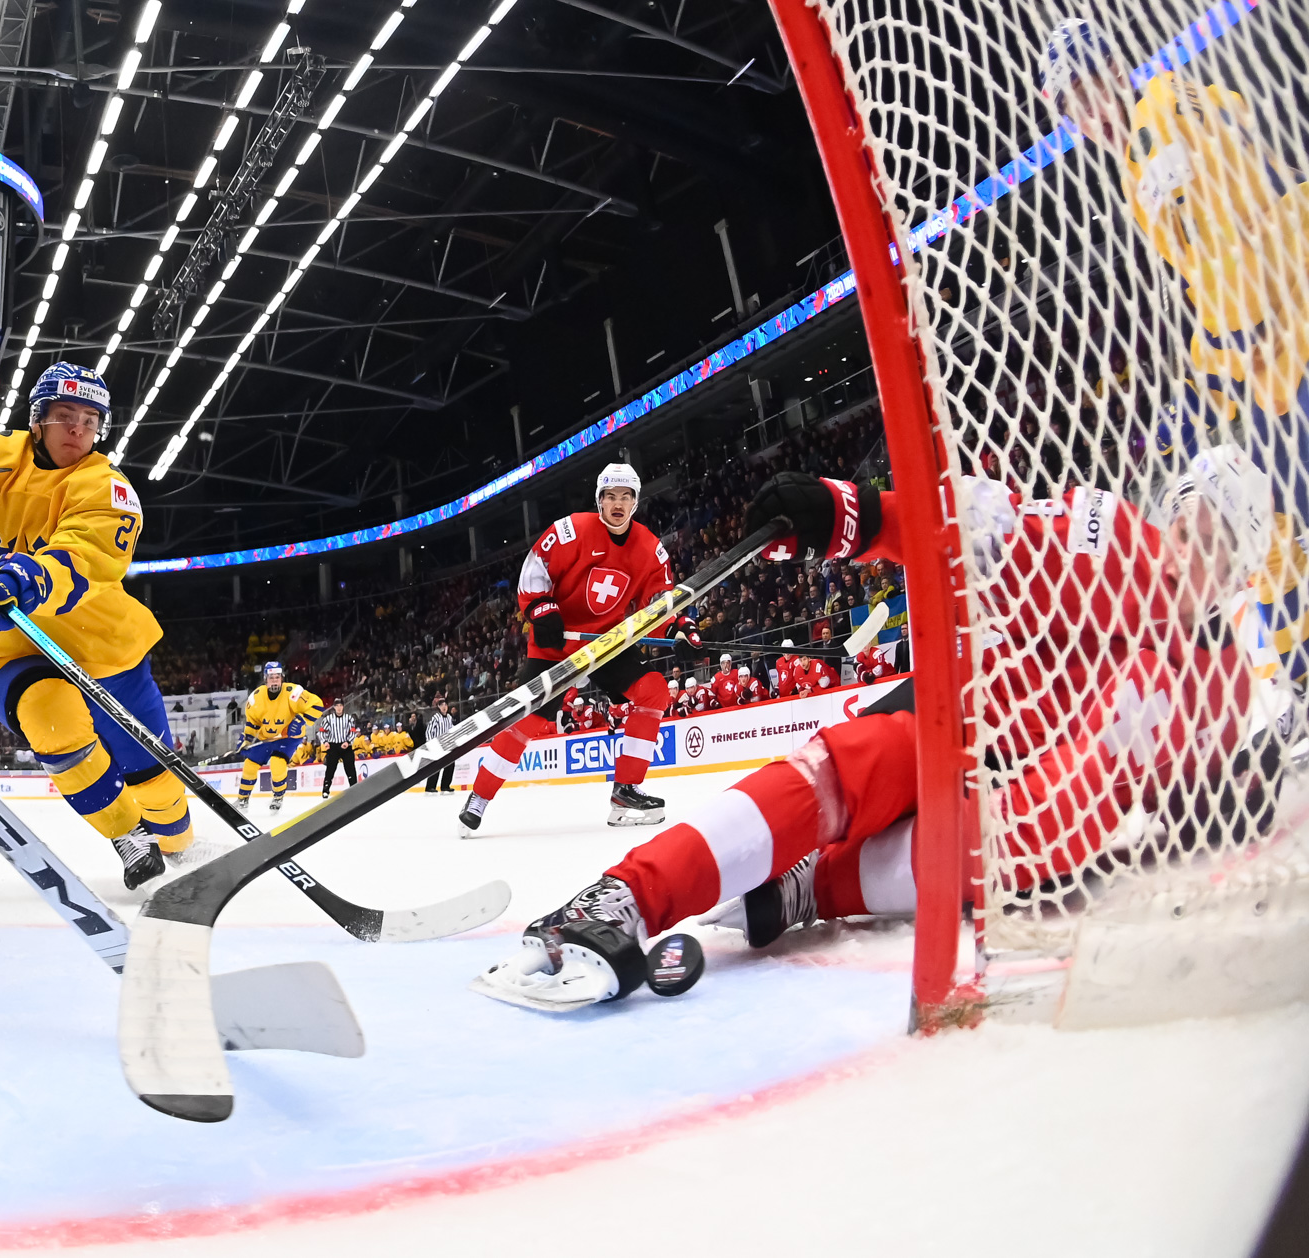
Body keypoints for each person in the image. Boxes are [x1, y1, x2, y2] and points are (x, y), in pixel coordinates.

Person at [474, 465, 1270, 1012]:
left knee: (1029, 846)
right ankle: (624, 897)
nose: (1194, 557)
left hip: (1019, 821)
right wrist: (844, 511)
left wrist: (1238, 786)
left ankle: (807, 886)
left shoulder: (1227, 686)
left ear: (1240, 573)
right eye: (1191, 528)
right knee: (839, 773)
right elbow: (975, 525)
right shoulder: (1110, 537)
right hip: (961, 713)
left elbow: (1189, 797)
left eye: (1219, 546)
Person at [1046, 19, 1309, 681]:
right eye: (1070, 107)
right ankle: (1296, 672)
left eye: (1088, 90)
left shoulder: (1154, 134)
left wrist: (1213, 369)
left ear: (1115, 69)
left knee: (1276, 519)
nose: (1085, 116)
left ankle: (1297, 676)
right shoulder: (1176, 105)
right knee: (1276, 521)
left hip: (1287, 331)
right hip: (1282, 326)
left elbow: (1230, 255)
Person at [0, 361, 197, 891]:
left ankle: (183, 851)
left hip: (106, 650)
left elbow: (87, 554)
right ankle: (126, 837)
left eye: (90, 420)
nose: (78, 430)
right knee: (54, 725)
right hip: (16, 648)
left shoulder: (108, 487)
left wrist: (31, 576)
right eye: (65, 415)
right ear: (37, 418)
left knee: (154, 780)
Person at [458, 464, 696, 835]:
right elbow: (536, 569)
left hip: (606, 641)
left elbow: (659, 598)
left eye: (626, 496)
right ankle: (480, 798)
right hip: (557, 643)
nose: (618, 504)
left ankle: (626, 791)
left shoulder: (650, 546)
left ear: (635, 502)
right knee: (528, 721)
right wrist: (540, 608)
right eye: (610, 496)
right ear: (599, 501)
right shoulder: (571, 529)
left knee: (654, 690)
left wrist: (680, 628)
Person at [237, 661, 324, 812]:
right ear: (265, 679)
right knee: (250, 764)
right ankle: (243, 799)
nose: (274, 680)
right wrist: (246, 740)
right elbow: (253, 724)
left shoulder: (293, 693)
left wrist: (301, 720)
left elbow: (317, 706)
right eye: (271, 677)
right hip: (267, 738)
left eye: (277, 677)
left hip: (289, 738)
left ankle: (278, 797)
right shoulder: (255, 698)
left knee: (277, 763)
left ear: (282, 678)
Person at [318, 698, 358, 797]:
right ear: (334, 707)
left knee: (350, 768)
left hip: (346, 745)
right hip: (333, 746)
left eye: (340, 705)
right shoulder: (328, 719)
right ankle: (326, 789)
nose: (339, 708)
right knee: (330, 769)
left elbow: (353, 731)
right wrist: (325, 742)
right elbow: (321, 732)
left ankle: (355, 788)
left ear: (343, 706)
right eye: (337, 706)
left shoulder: (349, 718)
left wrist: (348, 742)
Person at [423, 697, 457, 794]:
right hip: (437, 745)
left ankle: (445, 786)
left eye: (445, 705)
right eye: (442, 705)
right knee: (436, 766)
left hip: (448, 745)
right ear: (438, 707)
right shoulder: (436, 717)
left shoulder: (449, 717)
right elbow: (429, 731)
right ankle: (430, 787)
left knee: (450, 764)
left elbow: (451, 730)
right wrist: (431, 744)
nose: (444, 707)